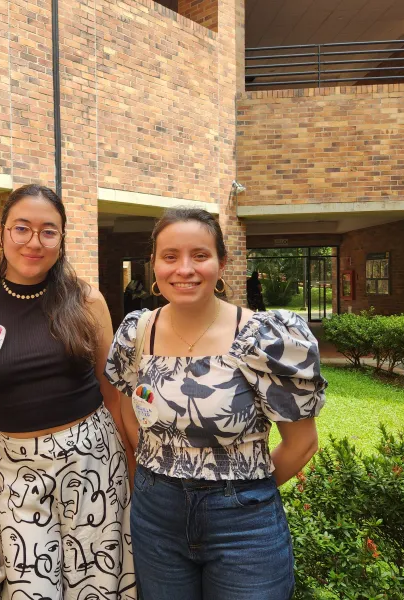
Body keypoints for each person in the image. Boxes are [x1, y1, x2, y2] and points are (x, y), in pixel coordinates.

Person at [105, 207, 326, 600]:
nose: (184, 269)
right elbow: (129, 417)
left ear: (222, 263)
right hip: (156, 517)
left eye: (200, 255)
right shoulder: (137, 333)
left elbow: (302, 443)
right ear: (154, 264)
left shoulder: (264, 337)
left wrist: (240, 494)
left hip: (244, 525)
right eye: (170, 256)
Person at [0, 184, 137, 599]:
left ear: (61, 239)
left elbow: (114, 397)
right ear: (2, 233)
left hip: (94, 469)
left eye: (48, 231)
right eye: (22, 228)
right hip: (17, 477)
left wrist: (136, 483)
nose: (34, 242)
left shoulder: (86, 300)